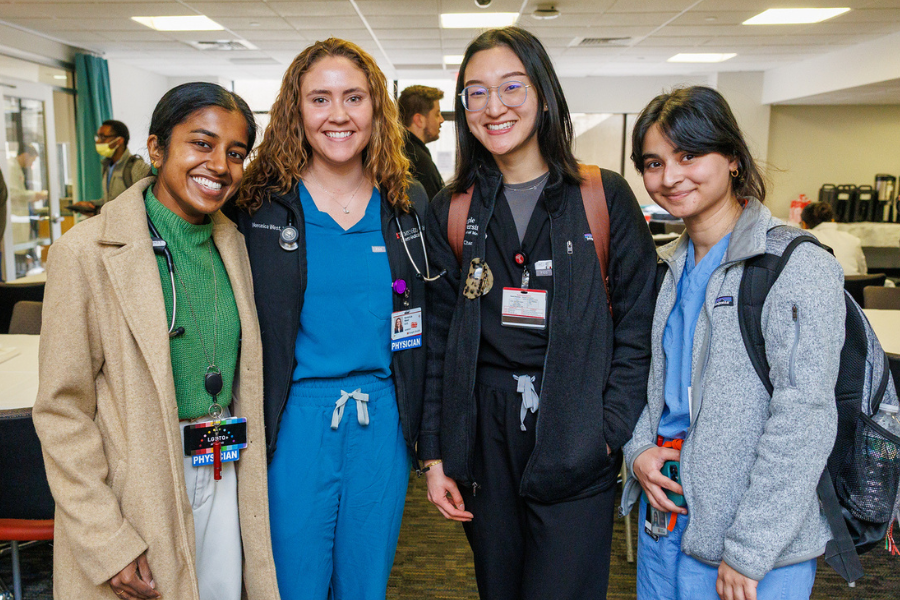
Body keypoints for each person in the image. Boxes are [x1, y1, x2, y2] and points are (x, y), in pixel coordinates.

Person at [420, 26, 657, 600]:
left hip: (576, 431)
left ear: (544, 95)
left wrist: (608, 431)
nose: (493, 106)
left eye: (511, 87)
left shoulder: (603, 197)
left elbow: (638, 327)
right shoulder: (452, 209)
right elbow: (438, 339)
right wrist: (435, 454)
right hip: (483, 438)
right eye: (475, 92)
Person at [33, 82, 280, 600]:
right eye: (201, 143)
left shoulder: (233, 244)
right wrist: (106, 537)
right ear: (156, 148)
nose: (219, 165)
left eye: (235, 153)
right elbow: (62, 412)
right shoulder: (86, 253)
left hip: (223, 468)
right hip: (139, 484)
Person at [622, 86, 844, 600]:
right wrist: (638, 451)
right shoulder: (669, 267)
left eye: (689, 155)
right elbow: (654, 388)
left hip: (748, 544)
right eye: (654, 163)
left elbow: (805, 417)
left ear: (733, 160)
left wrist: (749, 549)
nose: (670, 177)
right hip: (667, 524)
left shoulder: (795, 265)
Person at [232, 38, 428, 600]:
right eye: (320, 99)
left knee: (366, 583)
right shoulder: (258, 206)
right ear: (296, 110)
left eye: (353, 98)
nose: (338, 115)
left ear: (377, 109)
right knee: (291, 583)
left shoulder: (406, 201)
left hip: (381, 419)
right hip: (293, 420)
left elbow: (429, 323)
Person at [70, 119, 151, 215]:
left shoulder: (136, 166)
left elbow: (145, 202)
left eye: (103, 137)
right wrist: (91, 204)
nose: (98, 141)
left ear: (119, 141)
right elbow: (111, 200)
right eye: (98, 137)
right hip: (113, 225)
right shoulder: (107, 166)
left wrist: (97, 211)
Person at [398, 85, 445, 201]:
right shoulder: (417, 160)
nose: (441, 120)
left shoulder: (401, 150)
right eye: (437, 114)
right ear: (419, 120)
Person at [801, 201, 868, 275]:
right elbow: (863, 272)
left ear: (804, 225)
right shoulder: (853, 240)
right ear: (832, 220)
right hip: (851, 285)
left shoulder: (806, 239)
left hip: (821, 285)